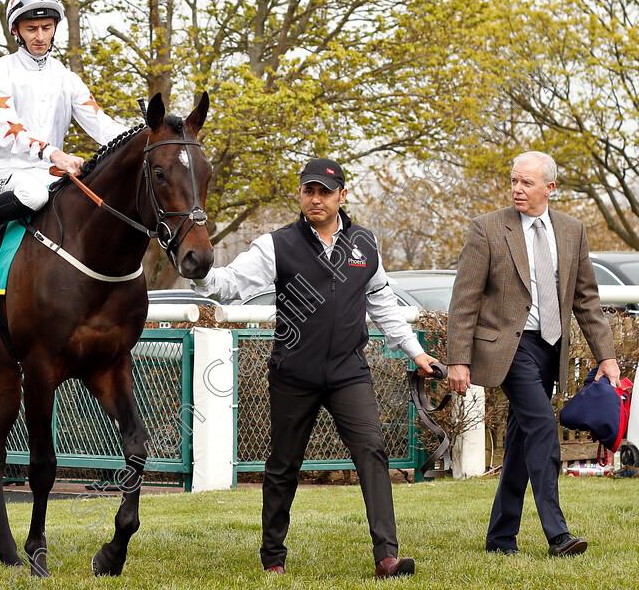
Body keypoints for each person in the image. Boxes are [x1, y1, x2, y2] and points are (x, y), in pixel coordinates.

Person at [192, 158, 439, 579]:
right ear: (301, 195)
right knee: (284, 464)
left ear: (342, 196)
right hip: (293, 374)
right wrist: (199, 274)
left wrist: (416, 352)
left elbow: (382, 304)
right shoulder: (278, 245)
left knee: (372, 453)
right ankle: (273, 557)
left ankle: (387, 557)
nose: (316, 199)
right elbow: (230, 283)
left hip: (349, 372)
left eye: (325, 192)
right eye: (309, 191)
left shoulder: (364, 244)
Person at [447, 151, 619, 557]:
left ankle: (500, 538)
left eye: (526, 182)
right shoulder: (488, 228)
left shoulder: (572, 230)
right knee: (543, 426)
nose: (517, 189)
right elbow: (464, 299)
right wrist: (458, 358)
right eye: (513, 181)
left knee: (523, 441)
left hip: (551, 347)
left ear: (550, 187)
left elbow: (586, 300)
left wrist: (607, 356)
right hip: (509, 346)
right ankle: (558, 534)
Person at [0, 0, 129, 279]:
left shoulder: (67, 78)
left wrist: (144, 135)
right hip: (5, 172)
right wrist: (53, 153)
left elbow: (101, 122)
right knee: (34, 195)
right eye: (31, 27)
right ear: (16, 30)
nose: (39, 36)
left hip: (49, 172)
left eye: (46, 27)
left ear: (55, 28)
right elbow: (6, 128)